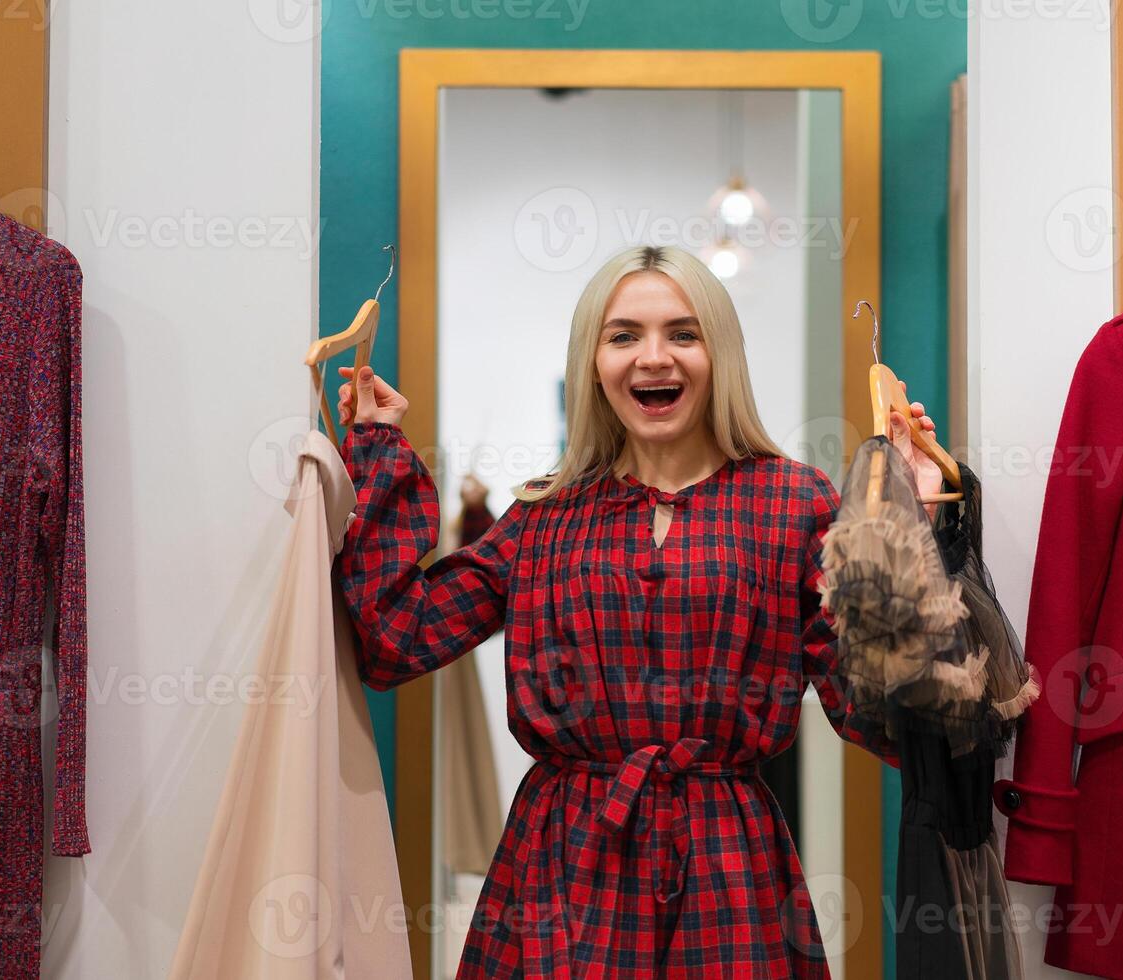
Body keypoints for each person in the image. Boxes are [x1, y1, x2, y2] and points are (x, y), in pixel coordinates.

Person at [335, 244, 944, 977]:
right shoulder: (545, 512)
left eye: (683, 334)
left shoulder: (797, 503)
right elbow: (396, 641)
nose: (654, 357)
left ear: (719, 355)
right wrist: (377, 453)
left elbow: (875, 715)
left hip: (728, 866)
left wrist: (911, 530)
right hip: (563, 863)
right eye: (624, 335)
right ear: (593, 362)